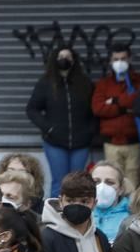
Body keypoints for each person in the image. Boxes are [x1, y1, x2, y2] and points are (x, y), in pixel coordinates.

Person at [26, 46, 95, 195]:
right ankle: (54, 216)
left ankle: (78, 213)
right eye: (61, 56)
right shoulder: (46, 83)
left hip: (81, 142)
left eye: (68, 57)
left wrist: (90, 131)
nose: (65, 60)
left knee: (78, 182)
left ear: (74, 60)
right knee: (59, 182)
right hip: (55, 141)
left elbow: (94, 110)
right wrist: (48, 128)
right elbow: (32, 109)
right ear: (54, 60)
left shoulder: (84, 83)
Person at [92, 43, 140, 185]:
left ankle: (131, 208)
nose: (119, 63)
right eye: (116, 59)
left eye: (123, 58)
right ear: (110, 61)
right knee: (112, 181)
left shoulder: (138, 81)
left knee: (133, 183)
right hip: (112, 143)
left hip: (133, 142)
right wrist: (123, 108)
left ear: (129, 60)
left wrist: (114, 101)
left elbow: (137, 100)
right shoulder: (104, 84)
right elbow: (98, 108)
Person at [92, 160, 133, 243]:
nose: (102, 187)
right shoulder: (82, 215)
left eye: (109, 182)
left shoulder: (131, 218)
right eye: (96, 182)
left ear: (121, 189)